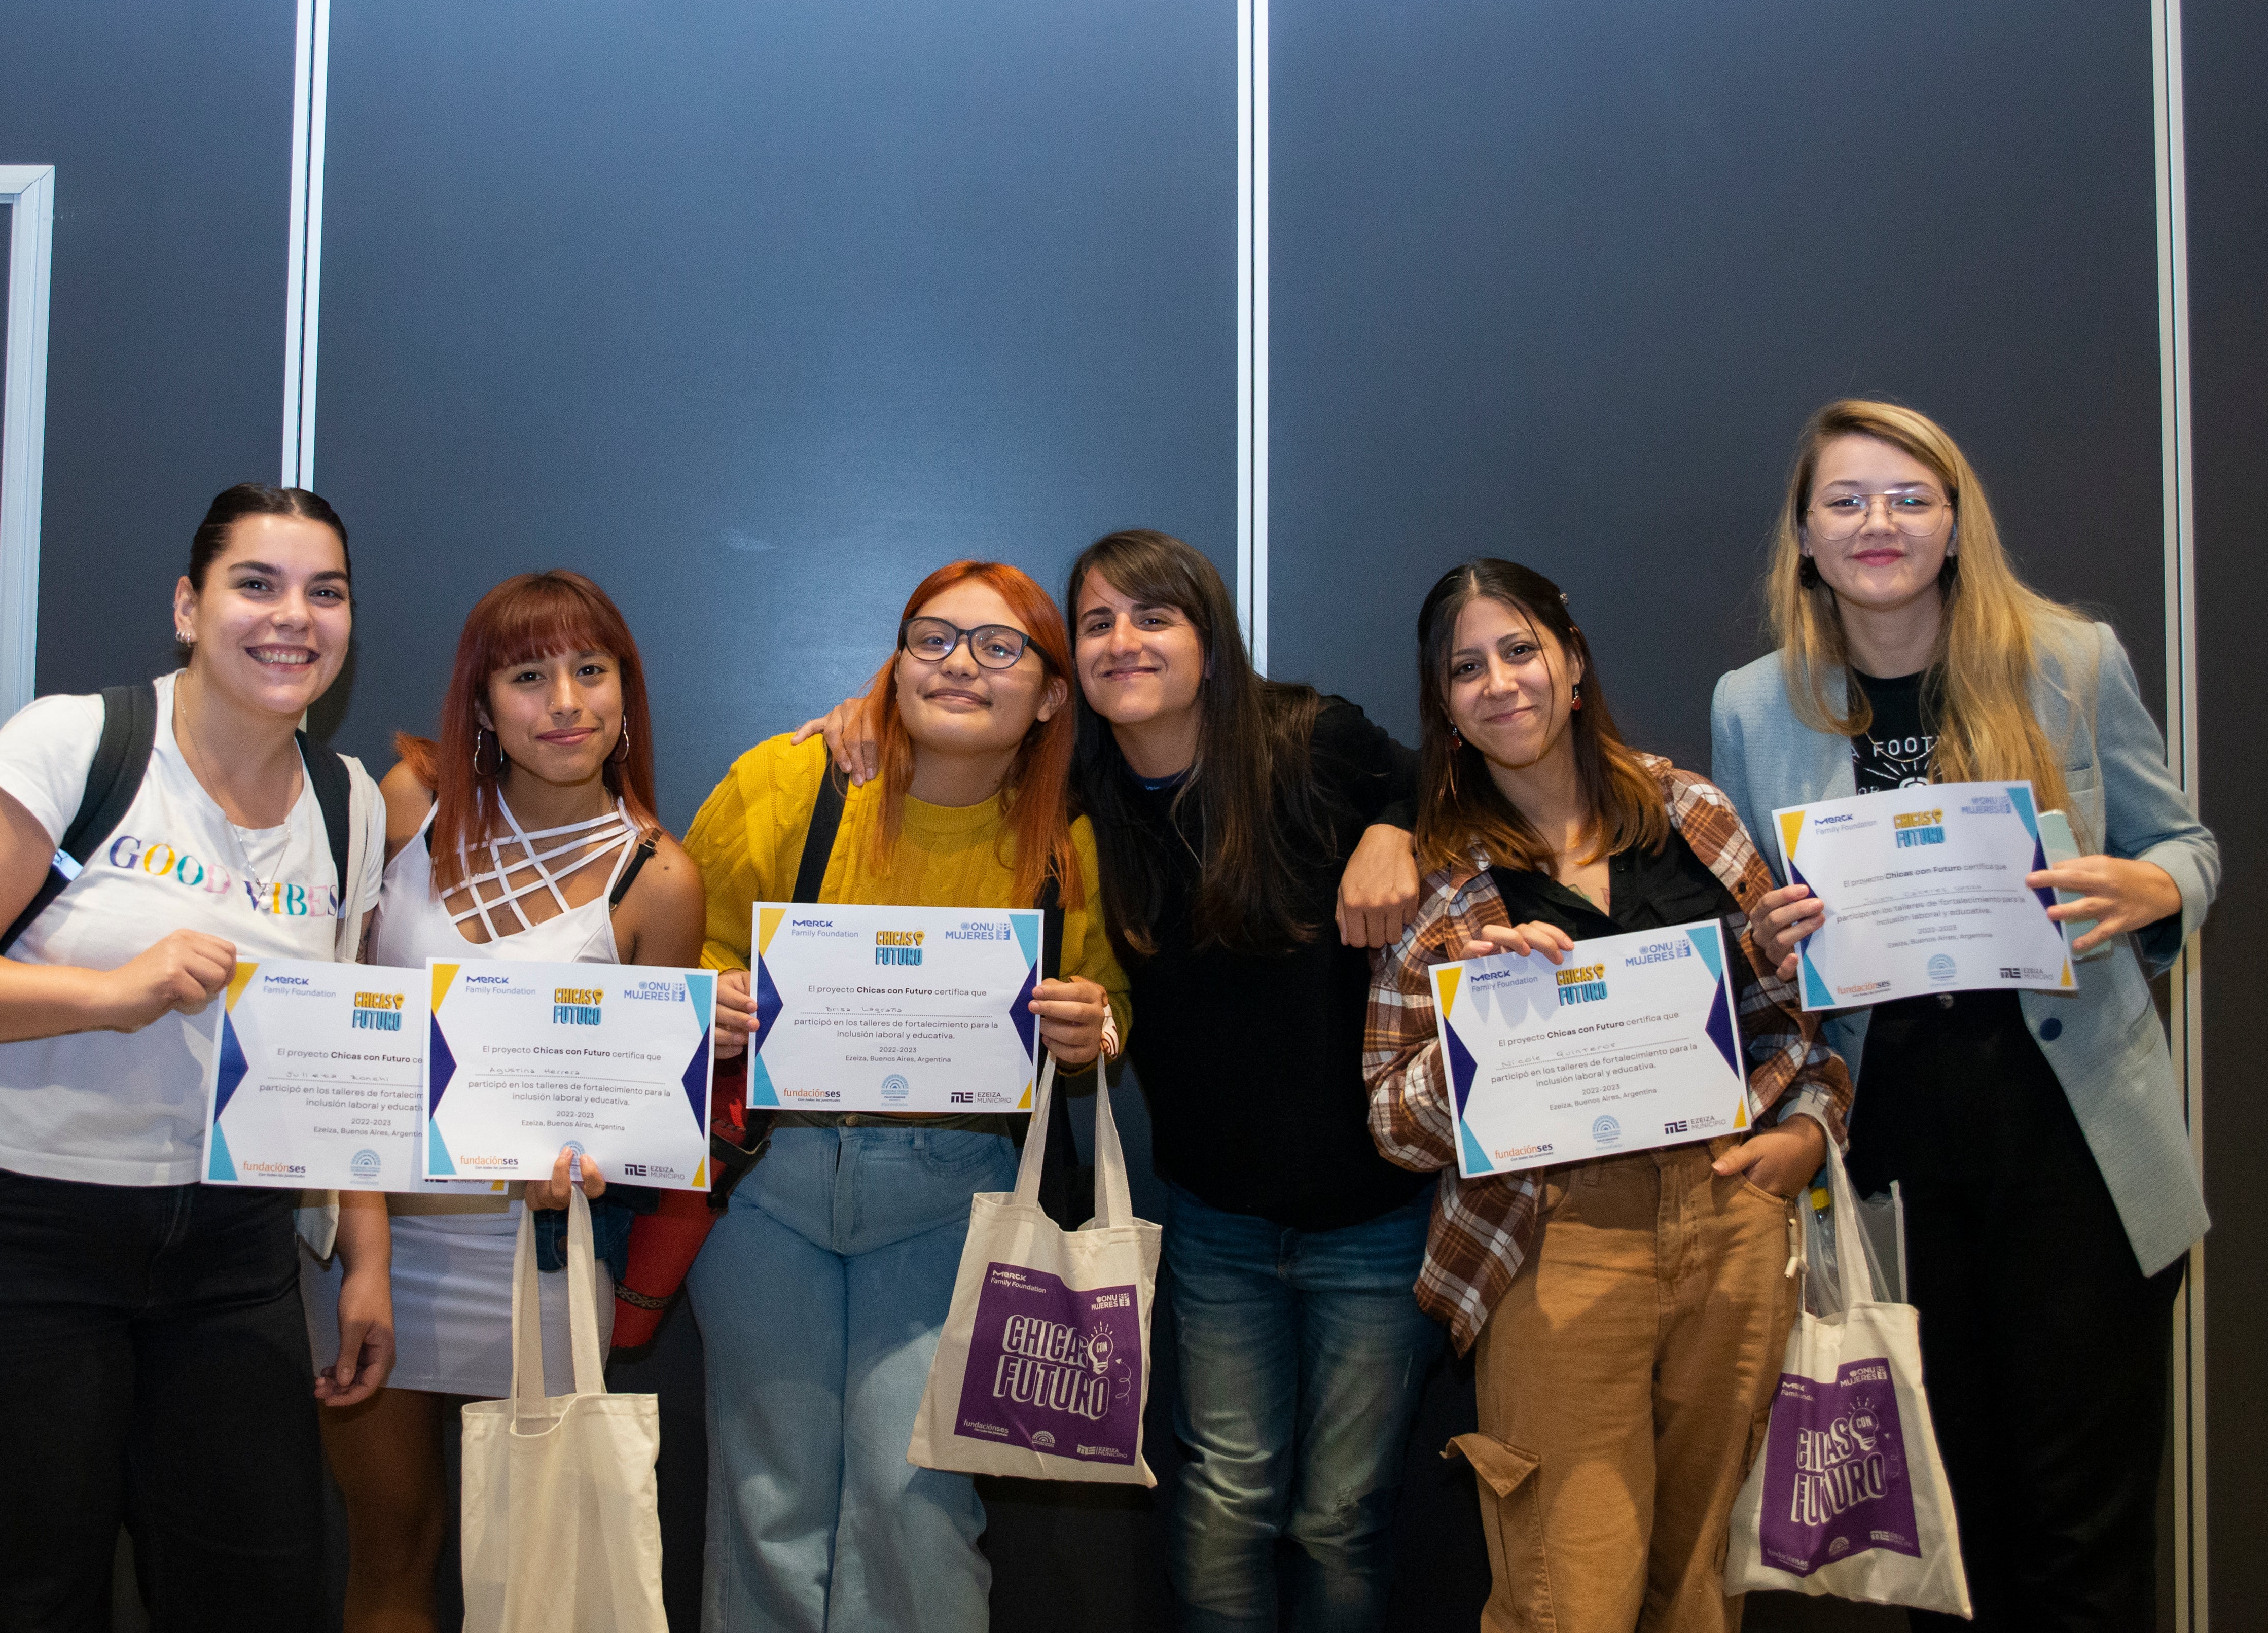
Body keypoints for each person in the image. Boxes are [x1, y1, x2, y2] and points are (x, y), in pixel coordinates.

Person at [797, 528, 1442, 1631]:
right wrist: (862, 714)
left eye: (1153, 617)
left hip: (1373, 1211)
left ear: (1208, 638)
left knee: (1343, 1516)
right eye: (1095, 623)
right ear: (1068, 671)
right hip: (1213, 1216)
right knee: (1224, 1504)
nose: (1122, 642)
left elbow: (1449, 774)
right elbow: (950, 720)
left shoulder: (1310, 736)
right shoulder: (1076, 786)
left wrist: (1394, 825)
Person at [0, 483, 390, 1629]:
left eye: (323, 592)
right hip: (0, 1240)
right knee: (25, 1598)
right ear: (189, 608)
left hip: (228, 1254)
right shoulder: (79, 741)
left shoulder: (347, 802)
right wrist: (106, 994)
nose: (292, 616)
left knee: (257, 1591)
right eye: (257, 584)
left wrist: (367, 1261)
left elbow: (330, 1053)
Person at [1712, 399, 2214, 1632]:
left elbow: (2186, 850)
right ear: (1804, 534)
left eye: (1907, 498)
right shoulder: (1751, 704)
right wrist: (1761, 941)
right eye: (1845, 501)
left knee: (2082, 1527)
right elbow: (1749, 940)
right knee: (1950, 1531)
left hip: (2072, 1140)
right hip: (1890, 1151)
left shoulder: (2068, 660)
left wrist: (2150, 886)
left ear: (1951, 526)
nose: (1876, 523)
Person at [1365, 557, 1851, 1633]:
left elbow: (1797, 1022)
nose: (1499, 683)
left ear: (1571, 664)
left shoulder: (1689, 810)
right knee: (1563, 1598)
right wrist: (1485, 1025)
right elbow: (1391, 1120)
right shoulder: (1439, 878)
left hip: (1726, 1219)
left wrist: (1807, 1134)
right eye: (1464, 669)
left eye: (1519, 651)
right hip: (1555, 1239)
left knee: (1698, 1591)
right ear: (1442, 709)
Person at [683, 559, 1130, 1633]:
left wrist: (1088, 1033)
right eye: (930, 639)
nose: (957, 666)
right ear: (895, 659)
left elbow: (1107, 1001)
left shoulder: (1062, 848)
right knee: (766, 1496)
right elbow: (684, 948)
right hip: (772, 1190)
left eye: (997, 647)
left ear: (1052, 694)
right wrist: (711, 1001)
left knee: (915, 1502)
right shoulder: (788, 786)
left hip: (952, 1199)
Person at [303, 570, 705, 1632]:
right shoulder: (404, 809)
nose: (565, 703)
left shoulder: (658, 877)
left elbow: (647, 1124)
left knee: (536, 1582)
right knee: (391, 1548)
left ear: (626, 693)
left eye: (590, 671)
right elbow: (340, 1044)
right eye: (528, 677)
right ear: (481, 705)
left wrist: (600, 1155)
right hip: (372, 1247)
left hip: (538, 1264)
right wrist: (365, 1256)